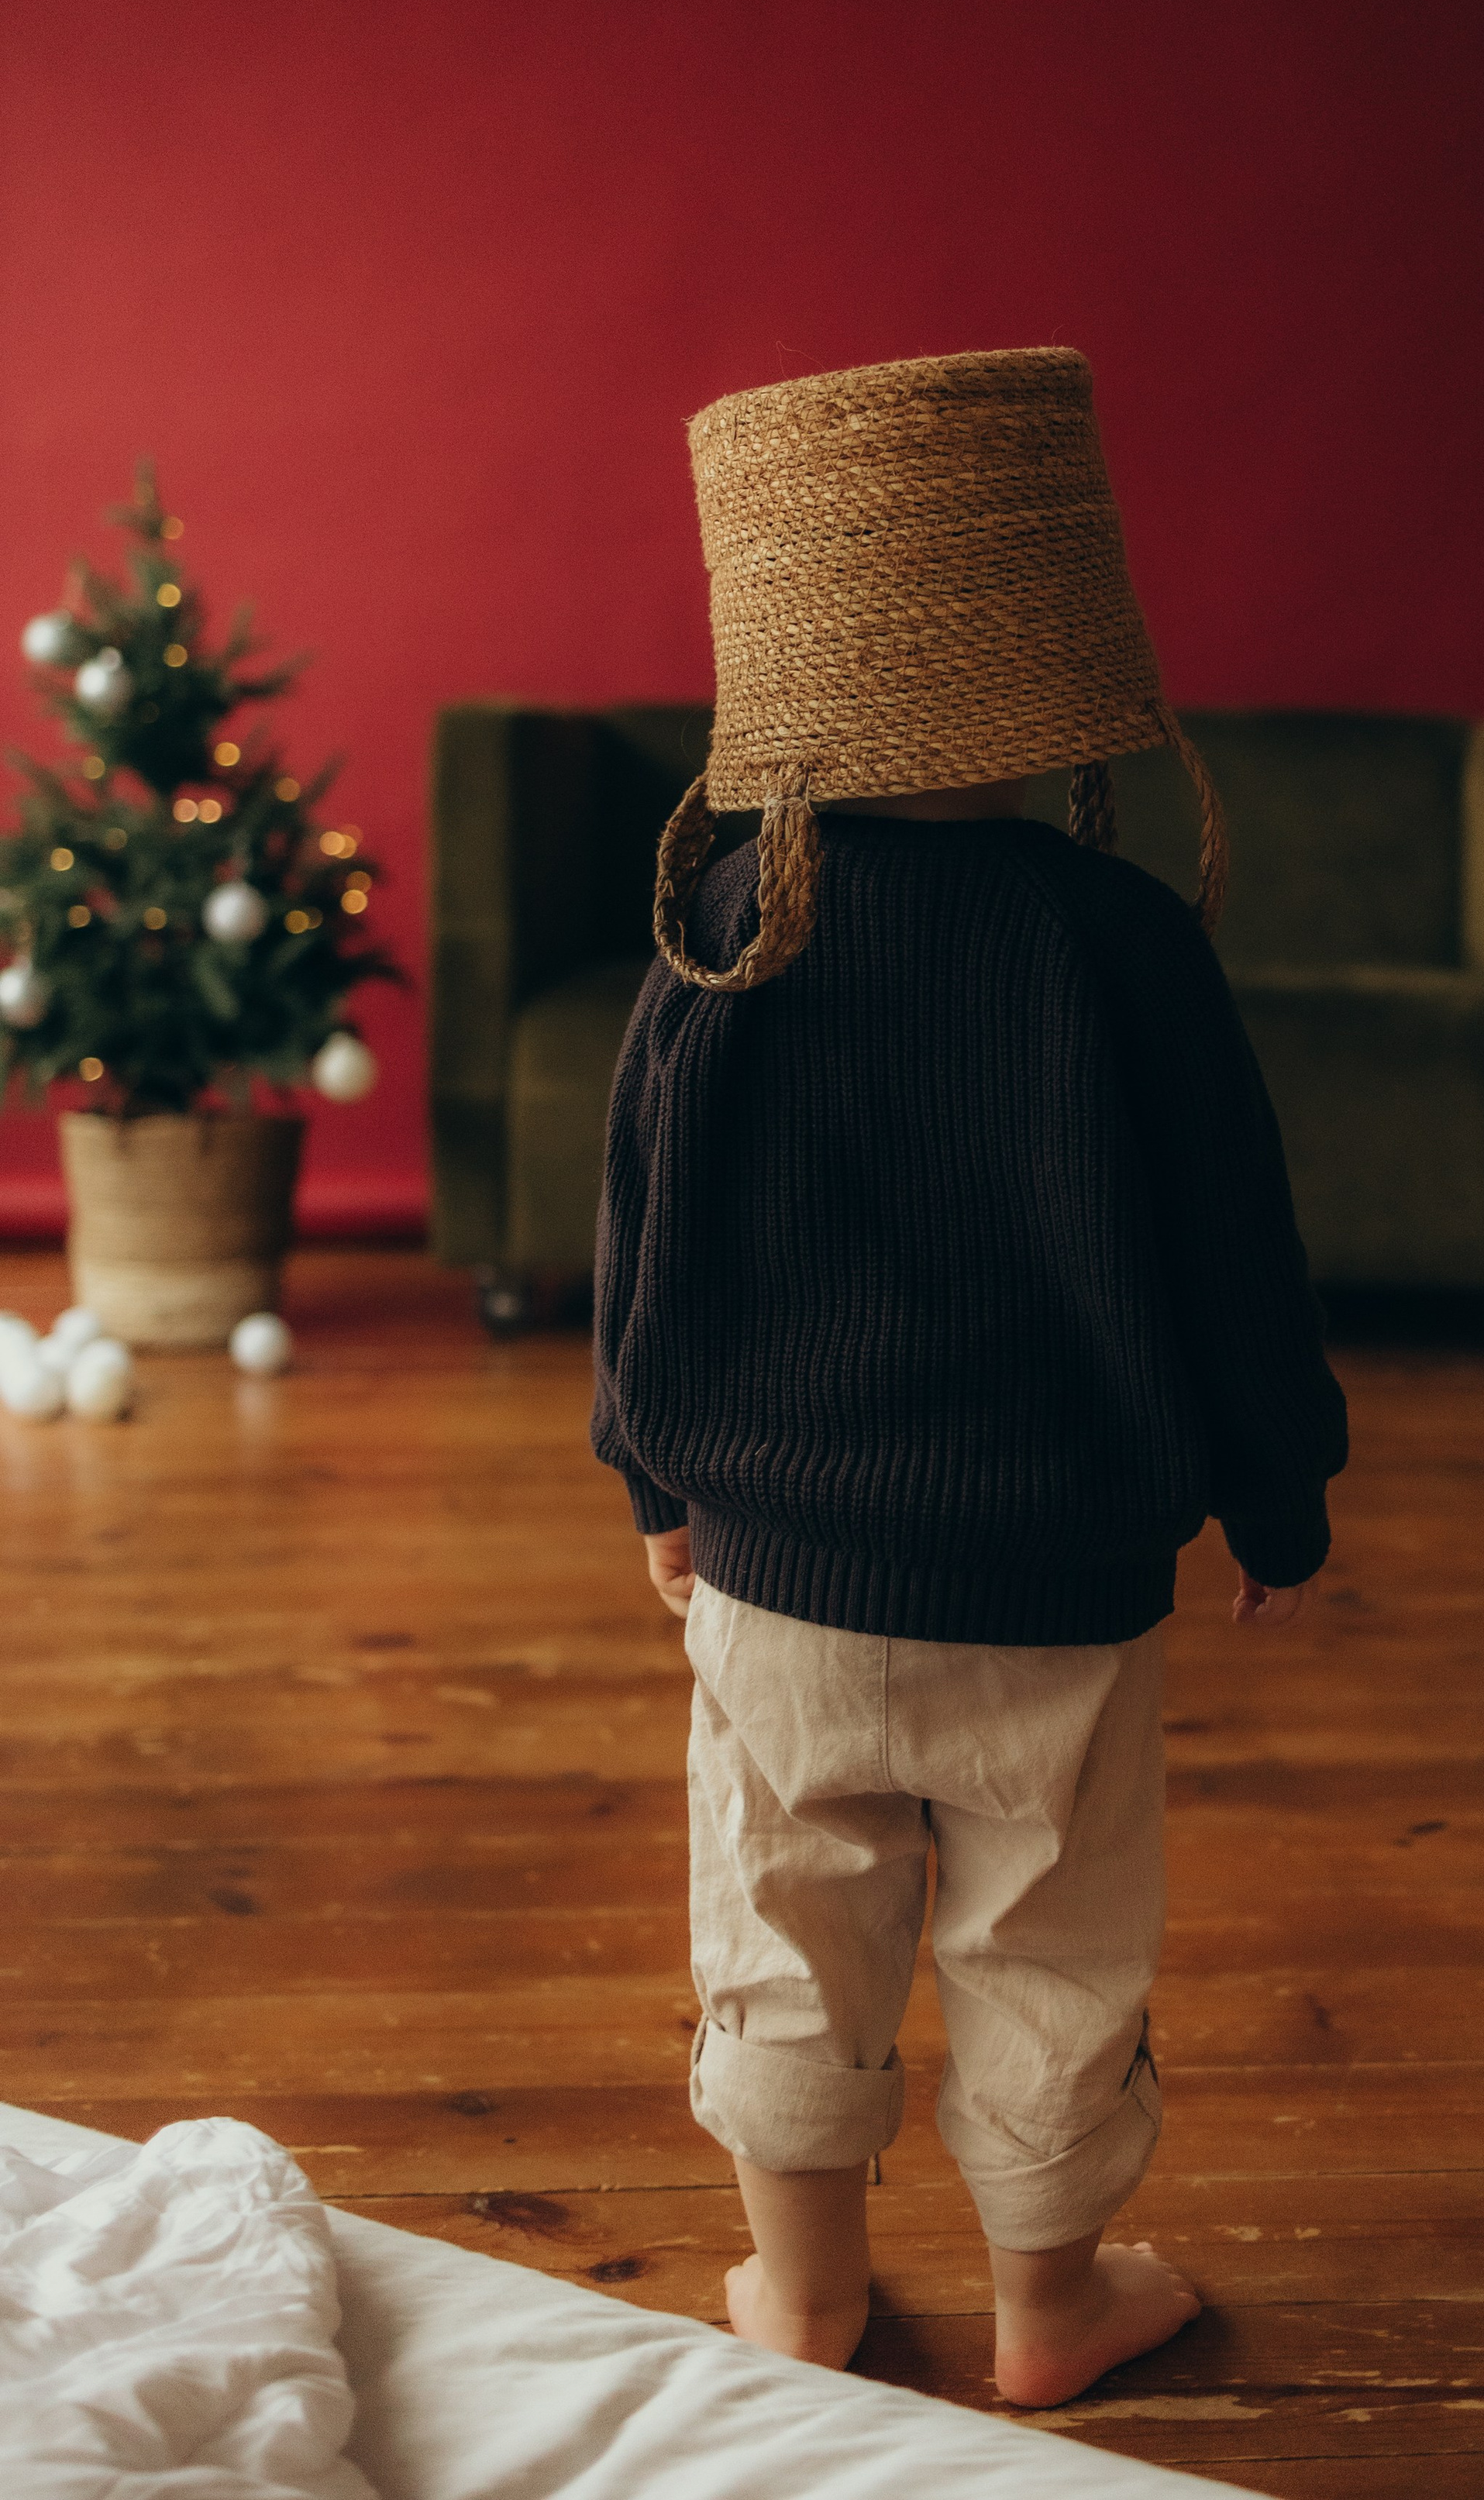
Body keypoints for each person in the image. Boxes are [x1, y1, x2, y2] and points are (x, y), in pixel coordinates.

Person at [591, 347, 1348, 2409]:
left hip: (778, 1579)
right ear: (1057, 662)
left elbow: (642, 1236)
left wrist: (655, 1470)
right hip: (1061, 1587)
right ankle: (1049, 2307)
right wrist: (1277, 1496)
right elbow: (1235, 1255)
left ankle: (805, 2292)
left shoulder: (732, 925)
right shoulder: (1120, 941)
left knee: (782, 1927)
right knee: (1050, 1944)